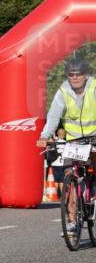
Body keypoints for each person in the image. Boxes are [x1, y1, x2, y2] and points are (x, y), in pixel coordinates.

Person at [38, 57, 96, 227]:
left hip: (94, 136)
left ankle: (92, 191)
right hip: (73, 141)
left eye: (78, 74)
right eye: (71, 75)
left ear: (86, 75)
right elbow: (53, 116)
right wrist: (44, 136)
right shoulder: (63, 92)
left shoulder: (94, 88)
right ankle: (72, 221)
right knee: (70, 175)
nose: (75, 78)